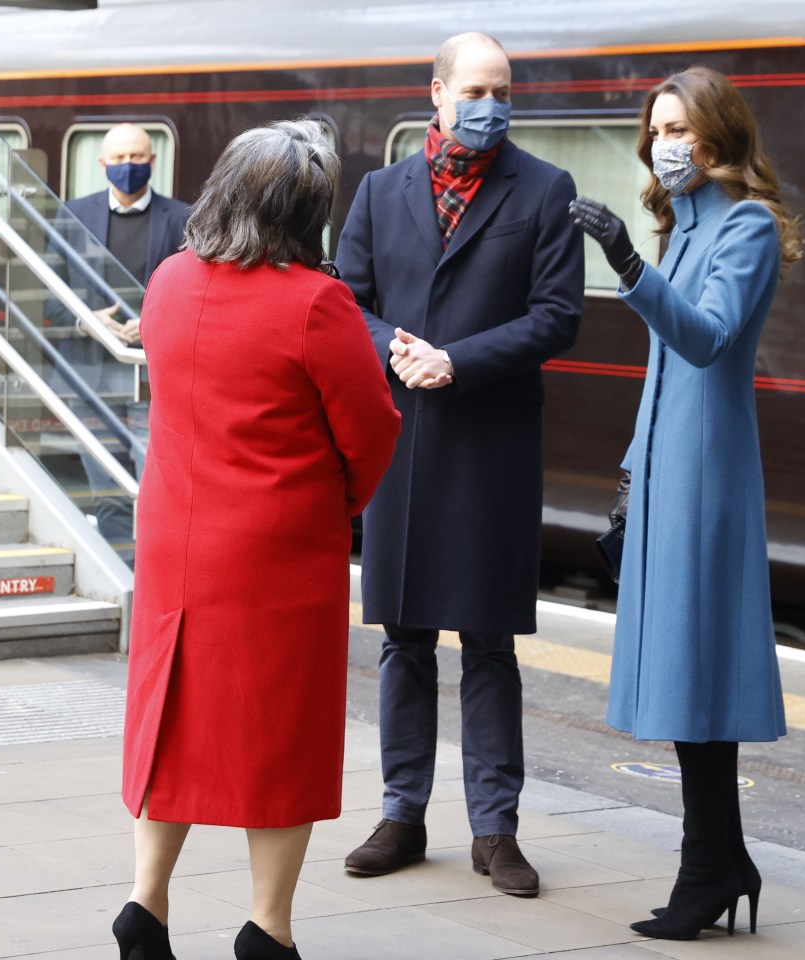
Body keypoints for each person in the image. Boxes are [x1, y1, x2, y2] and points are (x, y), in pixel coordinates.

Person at [113, 120, 400, 960]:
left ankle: (146, 904)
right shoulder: (315, 302)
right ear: (304, 213)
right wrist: (336, 499)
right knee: (278, 736)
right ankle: (267, 929)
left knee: (172, 718)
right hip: (277, 554)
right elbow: (372, 429)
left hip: (174, 541)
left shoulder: (166, 280)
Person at [336, 31, 584, 897]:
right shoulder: (379, 190)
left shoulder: (546, 190)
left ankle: (495, 830)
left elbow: (558, 316)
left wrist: (458, 359)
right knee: (403, 640)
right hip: (402, 440)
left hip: (491, 446)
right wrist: (395, 351)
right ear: (436, 94)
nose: (492, 106)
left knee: (488, 643)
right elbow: (347, 299)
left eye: (503, 90)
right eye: (475, 90)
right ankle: (402, 813)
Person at [570, 66, 802, 941]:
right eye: (657, 130)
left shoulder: (744, 227)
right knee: (685, 672)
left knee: (696, 669)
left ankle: (710, 864)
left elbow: (704, 343)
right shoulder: (685, 233)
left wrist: (627, 262)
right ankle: (717, 859)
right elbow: (662, 376)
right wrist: (631, 473)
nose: (666, 145)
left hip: (708, 479)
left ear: (717, 136)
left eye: (681, 129)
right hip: (670, 474)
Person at [46, 123, 189, 563]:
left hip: (156, 378)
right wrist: (85, 320)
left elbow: (194, 294)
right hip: (90, 375)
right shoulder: (70, 214)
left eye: (137, 157)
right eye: (119, 158)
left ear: (153, 160)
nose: (128, 166)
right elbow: (48, 295)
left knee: (156, 485)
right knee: (105, 487)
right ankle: (122, 575)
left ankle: (154, 572)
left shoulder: (184, 218)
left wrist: (153, 324)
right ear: (102, 163)